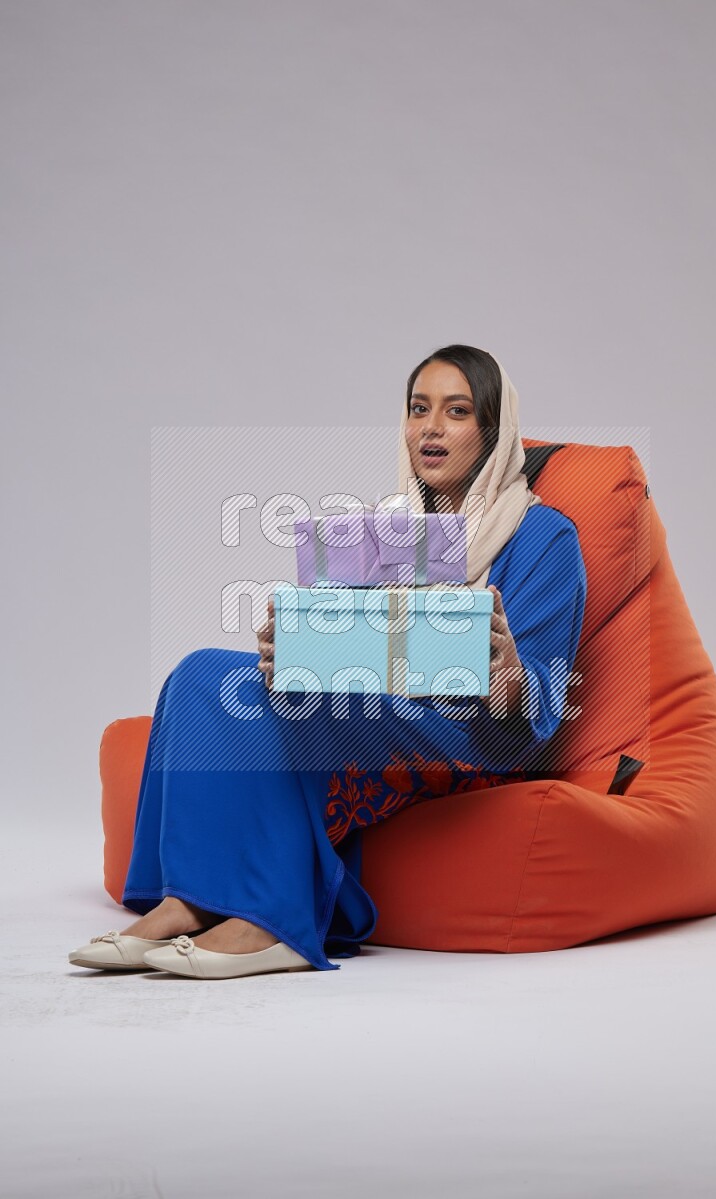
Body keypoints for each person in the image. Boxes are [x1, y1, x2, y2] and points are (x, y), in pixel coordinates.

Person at [68, 345, 587, 980]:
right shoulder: (389, 529)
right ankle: (185, 900)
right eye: (418, 409)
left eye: (456, 412)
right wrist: (296, 643)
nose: (431, 427)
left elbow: (542, 709)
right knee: (202, 673)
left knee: (296, 700)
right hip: (375, 699)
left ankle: (274, 921)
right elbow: (354, 638)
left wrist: (507, 672)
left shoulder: (545, 537)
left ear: (493, 429)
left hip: (467, 729)